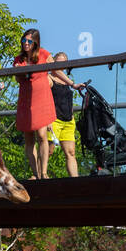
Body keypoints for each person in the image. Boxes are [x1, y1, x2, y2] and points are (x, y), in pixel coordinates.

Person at [14, 29, 80, 180]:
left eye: (29, 41)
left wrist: (72, 84)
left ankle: (44, 172)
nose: (26, 43)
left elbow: (56, 71)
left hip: (41, 99)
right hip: (26, 100)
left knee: (42, 135)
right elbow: (18, 80)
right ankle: (36, 173)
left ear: (36, 42)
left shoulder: (43, 54)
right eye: (24, 40)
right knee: (29, 138)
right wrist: (20, 72)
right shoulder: (18, 59)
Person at [46, 52, 84, 177]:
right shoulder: (49, 79)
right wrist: (47, 120)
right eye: (58, 62)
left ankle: (76, 180)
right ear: (53, 62)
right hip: (54, 120)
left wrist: (72, 116)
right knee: (48, 150)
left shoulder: (68, 82)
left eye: (64, 62)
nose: (61, 65)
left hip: (68, 121)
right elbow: (44, 99)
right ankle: (39, 176)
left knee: (71, 152)